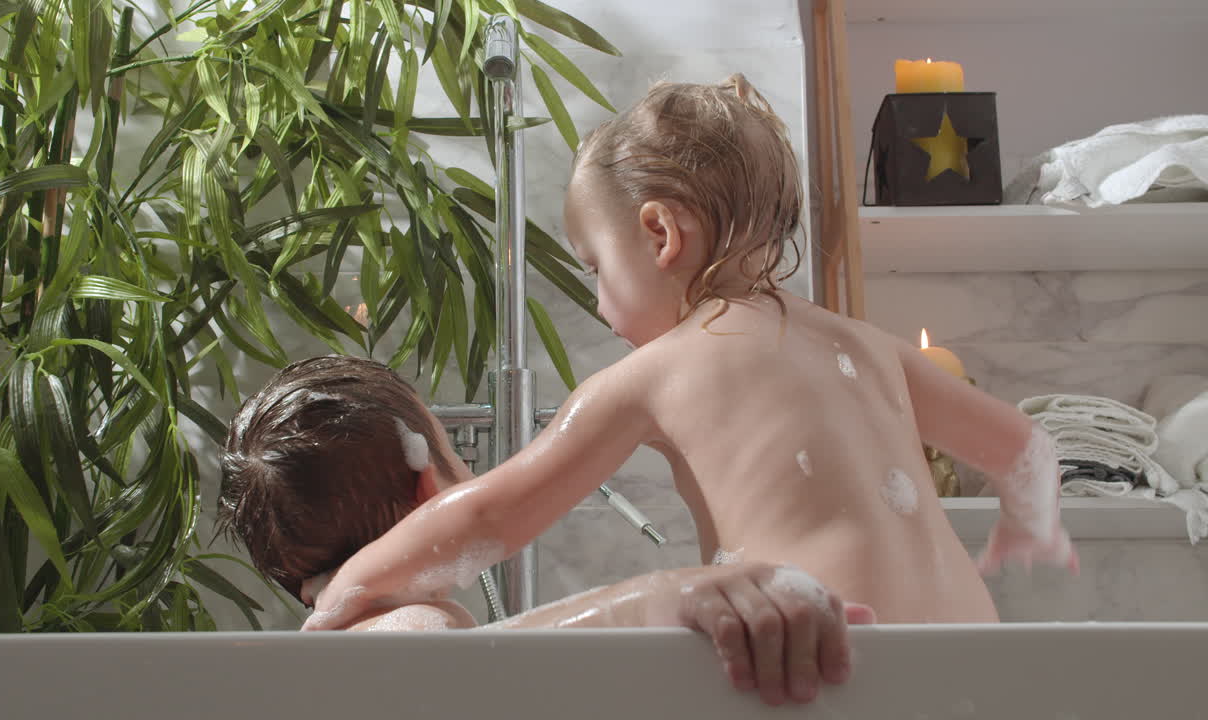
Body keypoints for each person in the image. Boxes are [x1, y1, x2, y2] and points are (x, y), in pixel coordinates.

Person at [304, 73, 1079, 635]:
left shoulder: (658, 372)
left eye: (595, 269)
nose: (601, 302)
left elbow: (493, 515)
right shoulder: (866, 345)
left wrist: (350, 586)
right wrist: (1028, 522)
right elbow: (1022, 444)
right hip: (973, 657)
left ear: (659, 236)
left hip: (833, 653)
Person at [217, 355, 875, 706]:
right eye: (456, 454)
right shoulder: (407, 625)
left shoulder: (343, 636)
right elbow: (462, 678)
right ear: (431, 485)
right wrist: (661, 599)